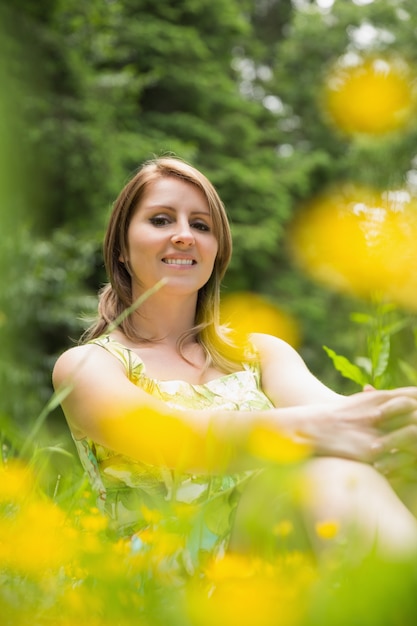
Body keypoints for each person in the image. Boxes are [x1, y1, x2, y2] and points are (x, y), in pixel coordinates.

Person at [53, 156, 417, 570]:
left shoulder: (260, 353)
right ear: (120, 248)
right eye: (160, 220)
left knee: (364, 468)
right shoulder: (87, 366)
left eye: (201, 226)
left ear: (216, 251)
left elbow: (329, 410)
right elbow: (176, 438)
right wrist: (339, 427)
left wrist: (391, 425)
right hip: (167, 579)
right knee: (328, 466)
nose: (184, 236)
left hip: (274, 549)